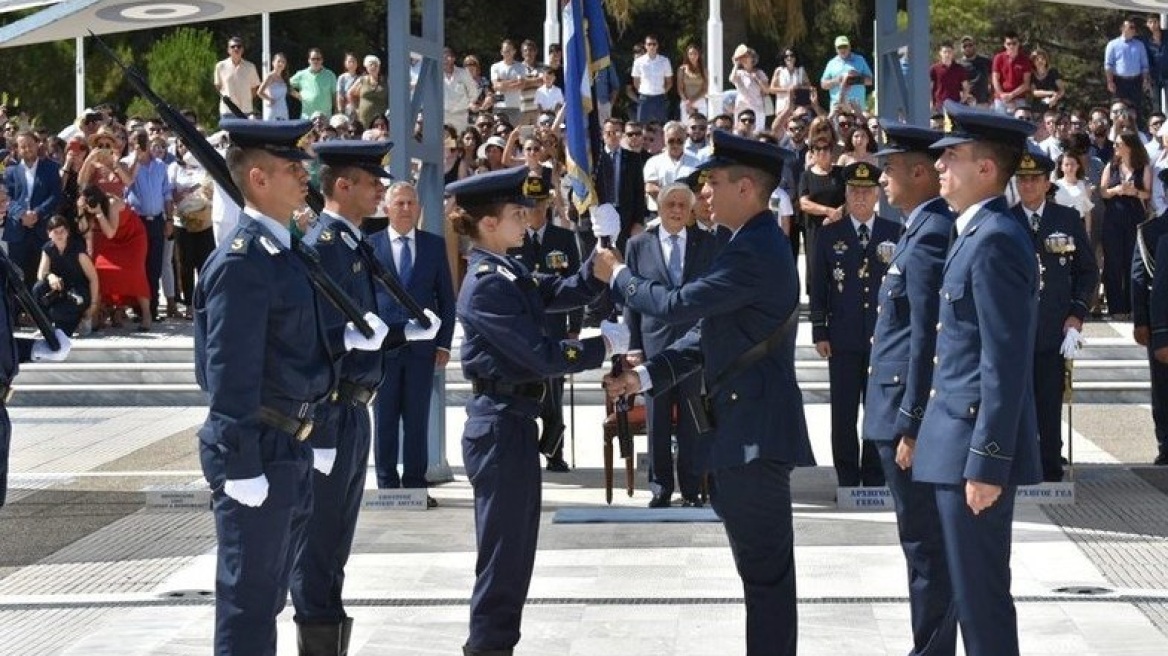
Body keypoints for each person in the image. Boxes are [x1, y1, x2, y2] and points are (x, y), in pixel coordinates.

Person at [596, 130, 814, 656]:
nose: (704, 194)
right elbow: (706, 337)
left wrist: (619, 274)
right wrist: (643, 377)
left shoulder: (755, 247)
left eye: (712, 182)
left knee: (765, 576)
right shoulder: (745, 243)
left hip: (754, 432)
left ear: (746, 188)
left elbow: (676, 306)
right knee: (760, 574)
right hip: (743, 428)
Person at [193, 119, 391, 656]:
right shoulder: (244, 262)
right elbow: (228, 371)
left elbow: (298, 348)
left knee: (271, 597)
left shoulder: (286, 252)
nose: (304, 175)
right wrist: (240, 463)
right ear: (257, 178)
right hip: (259, 442)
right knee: (249, 603)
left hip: (291, 443)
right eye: (290, 168)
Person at [449, 166, 625, 656]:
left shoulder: (507, 270)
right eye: (514, 214)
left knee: (516, 554)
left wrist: (595, 262)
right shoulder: (487, 282)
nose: (525, 222)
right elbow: (540, 354)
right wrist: (601, 346)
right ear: (488, 223)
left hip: (514, 422)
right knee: (503, 558)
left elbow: (554, 294)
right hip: (499, 424)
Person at [292, 140, 439, 654]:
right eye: (370, 180)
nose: (381, 188)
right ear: (341, 185)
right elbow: (316, 335)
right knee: (318, 546)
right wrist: (324, 421)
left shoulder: (352, 243)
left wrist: (404, 334)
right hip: (332, 411)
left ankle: (328, 636)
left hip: (355, 408)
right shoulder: (326, 244)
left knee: (334, 546)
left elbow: (362, 330)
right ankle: (317, 637)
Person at [912, 101, 1043, 656]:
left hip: (972, 451)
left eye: (953, 157)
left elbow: (1003, 362)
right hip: (951, 445)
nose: (939, 166)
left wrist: (989, 461)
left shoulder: (995, 238)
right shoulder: (975, 232)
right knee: (961, 595)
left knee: (981, 600)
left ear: (987, 169)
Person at [863, 123, 958, 656]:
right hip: (893, 406)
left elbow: (928, 337)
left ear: (920, 172)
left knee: (926, 545)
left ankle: (932, 649)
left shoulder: (931, 232)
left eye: (890, 168)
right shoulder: (917, 227)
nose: (881, 178)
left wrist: (913, 422)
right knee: (919, 541)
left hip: (905, 411)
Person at [622, 181, 719, 507]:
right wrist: (633, 344)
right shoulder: (638, 245)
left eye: (682, 205)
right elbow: (630, 299)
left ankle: (691, 490)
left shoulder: (708, 243)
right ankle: (660, 489)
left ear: (691, 209)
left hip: (694, 346)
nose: (676, 211)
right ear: (659, 209)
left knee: (693, 418)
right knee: (657, 420)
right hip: (654, 344)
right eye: (670, 205)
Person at [1011, 148, 1098, 483]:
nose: (1028, 186)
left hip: (1053, 329)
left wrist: (1077, 314)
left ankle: (1049, 469)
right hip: (1015, 333)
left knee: (1048, 404)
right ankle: (1019, 468)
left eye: (1034, 179)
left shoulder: (1066, 219)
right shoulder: (1006, 220)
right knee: (1018, 405)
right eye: (1022, 179)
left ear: (1047, 182)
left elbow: (1088, 272)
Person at [810, 162, 899, 488]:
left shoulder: (895, 232)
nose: (861, 196)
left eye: (867, 190)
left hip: (883, 337)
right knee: (844, 412)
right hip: (843, 335)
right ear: (845, 194)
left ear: (877, 194)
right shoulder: (830, 233)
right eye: (854, 191)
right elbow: (818, 286)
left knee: (878, 409)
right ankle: (847, 477)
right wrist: (820, 329)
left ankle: (875, 476)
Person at [370, 182, 457, 501]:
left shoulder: (433, 246)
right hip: (386, 349)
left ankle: (416, 484)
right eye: (400, 203)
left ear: (418, 208)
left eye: (411, 203)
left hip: (423, 351)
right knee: (385, 417)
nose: (406, 208)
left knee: (417, 417)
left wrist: (444, 343)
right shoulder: (371, 246)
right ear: (387, 208)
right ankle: (387, 484)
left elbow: (446, 298)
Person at [507, 175, 581, 472]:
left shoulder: (563, 239)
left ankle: (554, 451)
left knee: (554, 394)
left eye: (538, 204)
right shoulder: (513, 240)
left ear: (548, 203)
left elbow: (575, 283)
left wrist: (574, 326)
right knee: (523, 394)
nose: (533, 210)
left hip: (553, 329)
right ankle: (523, 454)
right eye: (528, 205)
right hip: (522, 331)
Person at [1134, 172, 1168, 465]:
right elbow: (1139, 278)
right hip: (1162, 321)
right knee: (1163, 387)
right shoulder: (1152, 230)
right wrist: (1143, 323)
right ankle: (1166, 444)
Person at [1100, 131, 1151, 319]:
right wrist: (1117, 190)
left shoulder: (1142, 167)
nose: (1115, 147)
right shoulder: (1111, 166)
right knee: (1113, 262)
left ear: (1129, 145)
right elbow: (1103, 192)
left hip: (1134, 216)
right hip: (1113, 216)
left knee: (1132, 261)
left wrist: (1134, 192)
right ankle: (1116, 308)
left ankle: (1132, 306)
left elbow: (1147, 193)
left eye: (1118, 144)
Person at [4, 131, 63, 287]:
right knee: (17, 276)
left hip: (42, 229)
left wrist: (37, 213)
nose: (27, 149)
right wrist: (21, 214)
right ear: (17, 149)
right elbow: (5, 198)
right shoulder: (10, 172)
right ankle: (17, 310)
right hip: (17, 231)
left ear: (38, 145)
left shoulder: (51, 168)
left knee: (42, 274)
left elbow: (56, 195)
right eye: (22, 146)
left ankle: (40, 310)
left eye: (30, 145)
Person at [33, 215, 98, 337]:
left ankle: (82, 319)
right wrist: (51, 276)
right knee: (38, 288)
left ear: (67, 232)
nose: (59, 235)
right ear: (49, 233)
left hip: (78, 292)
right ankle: (45, 326)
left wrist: (93, 305)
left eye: (62, 231)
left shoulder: (77, 250)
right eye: (55, 232)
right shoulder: (48, 249)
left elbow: (93, 278)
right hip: (60, 289)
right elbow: (41, 275)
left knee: (58, 314)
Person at [1106, 16, 1152, 124]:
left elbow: (1144, 65)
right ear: (1122, 28)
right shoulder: (1113, 44)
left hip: (1136, 81)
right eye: (1131, 27)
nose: (1134, 29)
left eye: (1134, 27)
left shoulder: (1139, 45)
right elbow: (1108, 65)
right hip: (1119, 81)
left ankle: (1138, 134)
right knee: (1119, 108)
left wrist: (1145, 80)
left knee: (1136, 108)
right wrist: (1110, 81)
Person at [820, 35, 873, 111]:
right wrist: (838, 80)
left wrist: (856, 78)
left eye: (845, 46)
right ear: (836, 49)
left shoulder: (860, 60)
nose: (843, 49)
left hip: (857, 107)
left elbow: (870, 81)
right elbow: (823, 85)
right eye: (840, 47)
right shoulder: (831, 63)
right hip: (838, 109)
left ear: (849, 47)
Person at [213, 36, 261, 118]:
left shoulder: (250, 67)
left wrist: (246, 99)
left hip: (245, 111)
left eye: (239, 46)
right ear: (228, 50)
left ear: (242, 50)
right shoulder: (220, 66)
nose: (236, 48)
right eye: (232, 47)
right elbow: (218, 87)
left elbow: (254, 88)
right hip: (227, 111)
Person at [631, 35, 673, 125]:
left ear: (657, 45)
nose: (652, 46)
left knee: (662, 127)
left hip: (660, 98)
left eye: (654, 44)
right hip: (644, 99)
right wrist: (644, 91)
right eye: (649, 44)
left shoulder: (665, 61)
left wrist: (661, 92)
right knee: (641, 127)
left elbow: (669, 82)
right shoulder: (638, 62)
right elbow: (636, 82)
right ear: (645, 46)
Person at [991, 32, 1033, 114]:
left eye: (1014, 43)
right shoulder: (998, 58)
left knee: (1019, 124)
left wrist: (1011, 95)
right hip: (1001, 98)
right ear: (1004, 45)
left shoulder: (1025, 60)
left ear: (1018, 44)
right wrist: (1002, 95)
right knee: (1000, 124)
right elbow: (995, 79)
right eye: (1009, 43)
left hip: (1019, 98)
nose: (1011, 46)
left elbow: (1026, 83)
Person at [290, 48, 337, 120]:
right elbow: (286, 85)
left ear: (322, 60)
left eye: (318, 59)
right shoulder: (301, 74)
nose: (316, 61)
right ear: (309, 60)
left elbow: (334, 95)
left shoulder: (330, 75)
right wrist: (297, 95)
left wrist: (336, 111)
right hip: (307, 117)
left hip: (325, 117)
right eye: (313, 59)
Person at [348, 55, 387, 130]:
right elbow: (350, 93)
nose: (373, 67)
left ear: (379, 67)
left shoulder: (385, 80)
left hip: (381, 118)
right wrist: (356, 108)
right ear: (366, 67)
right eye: (371, 65)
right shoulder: (362, 80)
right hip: (364, 117)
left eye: (376, 65)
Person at [770, 48, 810, 120]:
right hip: (782, 106)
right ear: (784, 58)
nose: (789, 58)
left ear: (795, 57)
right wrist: (788, 90)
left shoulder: (801, 70)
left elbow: (809, 87)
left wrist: (798, 87)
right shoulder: (779, 71)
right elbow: (772, 89)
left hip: (798, 106)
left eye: (792, 55)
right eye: (786, 56)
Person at [930, 42, 970, 111]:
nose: (947, 54)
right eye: (944, 52)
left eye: (949, 52)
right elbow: (929, 88)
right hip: (939, 105)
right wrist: (930, 103)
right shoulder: (934, 69)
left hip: (955, 105)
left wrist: (962, 101)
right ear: (940, 53)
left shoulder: (959, 68)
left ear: (953, 53)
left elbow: (966, 87)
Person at [958, 36, 993, 107]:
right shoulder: (958, 65)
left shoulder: (986, 61)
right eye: (964, 46)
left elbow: (992, 79)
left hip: (984, 102)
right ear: (961, 48)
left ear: (975, 46)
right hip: (966, 103)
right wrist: (965, 96)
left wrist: (992, 95)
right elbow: (956, 85)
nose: (967, 48)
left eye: (970, 45)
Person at [676, 44, 708, 120]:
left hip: (700, 101)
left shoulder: (704, 70)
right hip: (686, 102)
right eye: (690, 54)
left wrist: (692, 100)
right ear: (687, 55)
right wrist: (687, 102)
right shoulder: (682, 69)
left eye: (695, 54)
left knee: (701, 125)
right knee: (686, 126)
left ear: (699, 55)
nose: (693, 56)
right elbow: (680, 88)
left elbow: (705, 89)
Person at [258, 53, 291, 121]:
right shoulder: (270, 76)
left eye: (283, 62)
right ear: (273, 63)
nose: (281, 63)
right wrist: (270, 99)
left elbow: (290, 91)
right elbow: (259, 92)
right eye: (278, 61)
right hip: (273, 110)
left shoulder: (284, 78)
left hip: (283, 109)